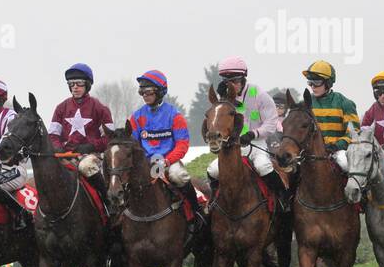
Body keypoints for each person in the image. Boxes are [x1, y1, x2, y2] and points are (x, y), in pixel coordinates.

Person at [204, 55, 284, 202]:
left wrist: (253, 134)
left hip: (256, 144)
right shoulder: (224, 99)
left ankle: (283, 201)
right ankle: (213, 201)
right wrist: (223, 99)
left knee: (263, 167)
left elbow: (271, 123)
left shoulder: (259, 94)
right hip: (233, 147)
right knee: (212, 170)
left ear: (243, 79)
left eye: (234, 81)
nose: (231, 85)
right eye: (227, 81)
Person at [129, 69, 201, 215]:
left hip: (169, 162)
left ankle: (196, 211)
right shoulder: (136, 117)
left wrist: (167, 161)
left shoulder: (175, 116)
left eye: (148, 92)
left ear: (160, 91)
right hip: (146, 162)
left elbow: (182, 145)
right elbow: (134, 145)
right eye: (142, 92)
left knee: (178, 176)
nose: (145, 96)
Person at [48, 63, 113, 178]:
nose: (75, 87)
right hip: (65, 156)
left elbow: (110, 138)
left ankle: (104, 194)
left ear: (87, 84)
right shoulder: (61, 108)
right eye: (71, 84)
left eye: (79, 83)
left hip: (91, 156)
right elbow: (53, 135)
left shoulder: (100, 108)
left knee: (86, 166)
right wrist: (58, 148)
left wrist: (91, 146)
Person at [302, 59, 360, 173]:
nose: (313, 87)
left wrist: (336, 146)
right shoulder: (306, 104)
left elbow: (354, 132)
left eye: (317, 82)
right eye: (310, 82)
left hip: (337, 151)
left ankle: (356, 191)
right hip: (312, 150)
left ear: (328, 83)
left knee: (345, 163)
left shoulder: (345, 103)